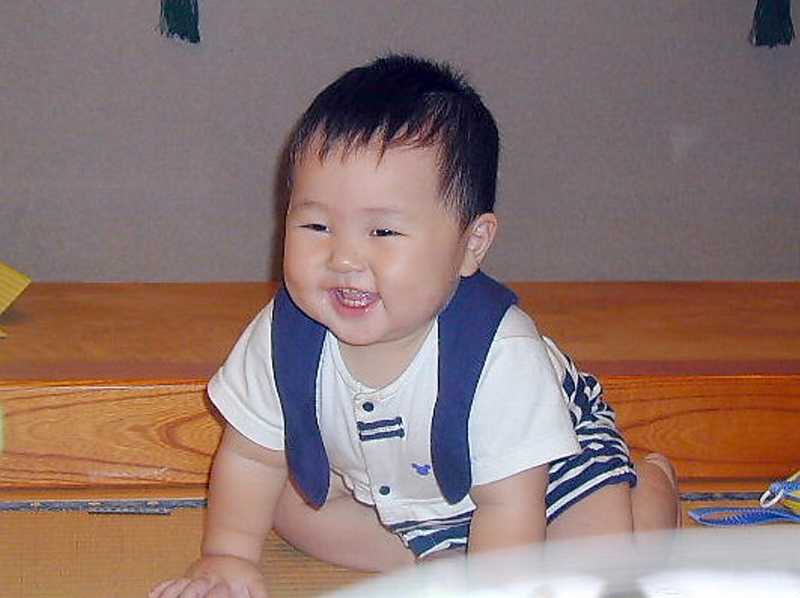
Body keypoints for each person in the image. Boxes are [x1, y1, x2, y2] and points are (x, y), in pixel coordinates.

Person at [150, 54, 678, 598]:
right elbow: (249, 454)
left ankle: (650, 489)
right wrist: (228, 555)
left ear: (470, 245)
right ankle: (443, 553)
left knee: (596, 565)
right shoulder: (283, 337)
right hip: (413, 493)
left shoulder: (500, 355)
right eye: (317, 225)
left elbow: (509, 505)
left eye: (382, 232)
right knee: (287, 506)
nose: (344, 258)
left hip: (543, 477)